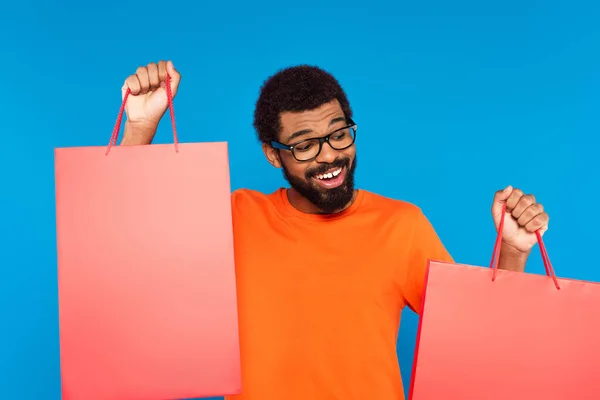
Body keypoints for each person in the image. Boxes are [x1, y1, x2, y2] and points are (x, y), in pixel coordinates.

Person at [119, 60, 550, 400]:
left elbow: (480, 341)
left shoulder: (401, 225)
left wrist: (513, 251)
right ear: (273, 155)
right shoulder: (237, 215)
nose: (330, 156)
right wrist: (140, 126)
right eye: (305, 144)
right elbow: (133, 238)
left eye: (339, 134)